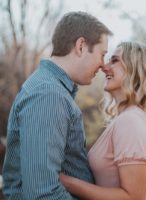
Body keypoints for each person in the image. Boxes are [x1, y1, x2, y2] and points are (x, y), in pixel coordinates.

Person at [2, 11, 112, 200]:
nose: (103, 65)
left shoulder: (52, 90)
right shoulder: (49, 95)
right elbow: (42, 194)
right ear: (81, 46)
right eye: (102, 55)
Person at [59, 41, 146, 200]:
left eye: (114, 60)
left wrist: (65, 182)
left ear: (136, 70)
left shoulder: (131, 121)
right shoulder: (129, 118)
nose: (104, 67)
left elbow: (133, 197)